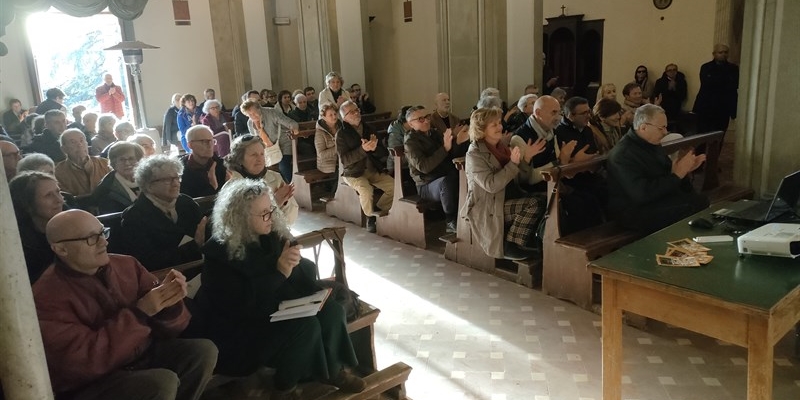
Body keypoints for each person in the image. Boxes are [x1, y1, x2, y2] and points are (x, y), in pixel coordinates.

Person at [195, 179, 364, 399]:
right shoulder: (219, 254)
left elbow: (300, 279)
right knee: (306, 325)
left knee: (331, 310)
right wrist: (280, 272)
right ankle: (285, 387)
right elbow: (239, 307)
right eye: (264, 213)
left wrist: (296, 264)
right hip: (243, 331)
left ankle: (333, 371)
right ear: (241, 218)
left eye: (272, 209)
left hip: (278, 310)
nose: (272, 217)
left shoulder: (271, 235)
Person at [32, 209, 217, 400]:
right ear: (61, 249)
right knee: (161, 382)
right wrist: (140, 313)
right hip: (93, 381)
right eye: (91, 238)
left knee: (203, 352)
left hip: (139, 354)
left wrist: (169, 301)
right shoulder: (47, 296)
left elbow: (172, 326)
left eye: (103, 232)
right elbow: (83, 362)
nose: (104, 242)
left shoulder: (126, 264)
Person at [607, 104, 709, 234]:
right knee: (689, 207)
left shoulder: (652, 144)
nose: (665, 132)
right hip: (633, 210)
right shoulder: (623, 155)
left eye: (666, 127)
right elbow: (641, 194)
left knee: (699, 200)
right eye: (661, 128)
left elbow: (667, 175)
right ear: (643, 127)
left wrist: (684, 171)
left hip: (655, 201)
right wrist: (678, 174)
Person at [463, 107, 546, 260]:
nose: (500, 127)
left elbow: (520, 179)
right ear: (481, 129)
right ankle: (511, 245)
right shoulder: (474, 154)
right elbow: (491, 185)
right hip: (488, 205)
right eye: (493, 125)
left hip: (507, 197)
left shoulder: (501, 147)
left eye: (499, 123)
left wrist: (526, 159)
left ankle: (536, 242)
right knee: (534, 203)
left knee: (547, 199)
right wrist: (513, 164)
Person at [117, 155, 207, 271]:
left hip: (199, 268)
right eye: (167, 180)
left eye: (177, 177)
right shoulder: (134, 217)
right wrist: (194, 246)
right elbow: (148, 263)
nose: (175, 183)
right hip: (166, 279)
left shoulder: (186, 203)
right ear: (149, 186)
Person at [336, 100, 394, 233]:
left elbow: (382, 151)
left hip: (372, 169)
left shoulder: (369, 128)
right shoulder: (341, 134)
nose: (356, 113)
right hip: (353, 172)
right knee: (366, 190)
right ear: (344, 117)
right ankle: (370, 218)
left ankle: (377, 209)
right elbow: (345, 160)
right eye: (352, 112)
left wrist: (374, 149)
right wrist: (363, 149)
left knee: (393, 186)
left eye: (357, 110)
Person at [403, 106, 460, 233]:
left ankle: (466, 215)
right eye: (421, 119)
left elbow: (450, 156)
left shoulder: (434, 133)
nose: (427, 121)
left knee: (461, 175)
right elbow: (424, 167)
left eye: (427, 117)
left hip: (443, 174)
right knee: (447, 182)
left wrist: (457, 142)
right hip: (426, 184)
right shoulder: (410, 142)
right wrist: (445, 148)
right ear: (411, 124)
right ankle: (450, 220)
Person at [223, 134, 299, 225]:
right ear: (239, 159)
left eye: (262, 154)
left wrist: (285, 203)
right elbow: (240, 224)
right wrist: (275, 203)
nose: (259, 159)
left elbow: (290, 217)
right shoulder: (232, 187)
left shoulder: (276, 178)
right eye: (253, 155)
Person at [9, 171, 65, 283]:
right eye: (48, 195)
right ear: (27, 204)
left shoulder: (73, 225)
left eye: (58, 192)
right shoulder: (17, 245)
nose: (59, 200)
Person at [241, 98, 300, 184]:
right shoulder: (250, 123)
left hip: (284, 143)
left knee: (283, 166)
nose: (252, 116)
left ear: (259, 108)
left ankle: (291, 186)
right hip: (268, 149)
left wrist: (294, 129)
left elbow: (291, 123)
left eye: (254, 113)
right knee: (260, 168)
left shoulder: (272, 113)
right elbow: (255, 140)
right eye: (249, 115)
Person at [693, 44, 739, 134]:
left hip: (723, 107)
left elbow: (734, 87)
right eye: (720, 52)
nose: (723, 54)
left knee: (719, 134)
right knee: (702, 134)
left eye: (726, 52)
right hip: (706, 106)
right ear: (714, 54)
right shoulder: (706, 67)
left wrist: (734, 111)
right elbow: (707, 84)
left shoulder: (733, 68)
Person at [90, 141, 144, 214]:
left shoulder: (148, 180)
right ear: (114, 163)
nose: (127, 163)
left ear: (139, 161)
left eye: (131, 158)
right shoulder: (106, 188)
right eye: (122, 160)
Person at [54, 128, 111, 196]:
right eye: (73, 142)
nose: (79, 145)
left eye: (81, 140)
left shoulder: (105, 164)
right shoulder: (58, 173)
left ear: (87, 144)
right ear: (63, 149)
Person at [179, 125, 229, 198]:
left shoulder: (222, 165)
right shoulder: (181, 171)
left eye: (212, 141)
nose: (210, 145)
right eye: (204, 141)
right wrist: (212, 186)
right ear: (190, 145)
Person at [652, 63, 688, 129]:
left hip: (676, 107)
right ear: (666, 72)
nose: (672, 72)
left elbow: (683, 96)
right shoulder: (660, 82)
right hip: (663, 106)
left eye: (674, 70)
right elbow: (657, 95)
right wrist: (668, 89)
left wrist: (674, 89)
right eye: (669, 70)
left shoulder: (681, 81)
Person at [315, 103, 341, 175]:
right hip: (327, 166)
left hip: (342, 162)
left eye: (335, 114)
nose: (334, 116)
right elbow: (321, 154)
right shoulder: (320, 132)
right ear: (324, 117)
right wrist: (338, 148)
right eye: (330, 115)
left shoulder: (341, 127)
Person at [386, 105, 413, 173]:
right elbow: (395, 156)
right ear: (408, 120)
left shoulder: (414, 129)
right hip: (397, 167)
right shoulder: (394, 132)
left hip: (411, 162)